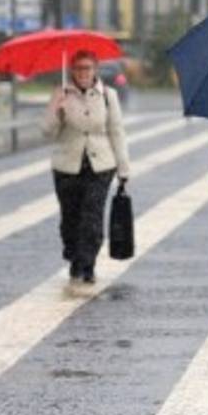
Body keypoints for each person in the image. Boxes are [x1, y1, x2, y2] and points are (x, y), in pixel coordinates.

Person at [41, 49, 131, 284]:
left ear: (95, 70)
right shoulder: (60, 94)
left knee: (92, 216)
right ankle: (74, 256)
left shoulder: (108, 95)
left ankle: (87, 264)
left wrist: (124, 169)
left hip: (100, 166)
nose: (83, 73)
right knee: (70, 218)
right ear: (72, 70)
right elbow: (47, 132)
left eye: (87, 68)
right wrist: (57, 111)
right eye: (78, 68)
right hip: (66, 167)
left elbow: (117, 132)